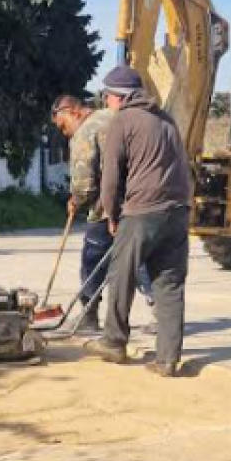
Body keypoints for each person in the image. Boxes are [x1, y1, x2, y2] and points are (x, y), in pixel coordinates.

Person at [84, 65, 191, 377]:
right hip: (177, 211)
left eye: (106, 96)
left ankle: (114, 342)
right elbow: (183, 167)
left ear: (119, 97)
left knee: (121, 275)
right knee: (169, 283)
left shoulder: (124, 120)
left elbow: (111, 176)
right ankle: (167, 359)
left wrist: (111, 213)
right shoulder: (167, 120)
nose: (105, 101)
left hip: (143, 210)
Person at [51, 95, 155, 332]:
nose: (64, 132)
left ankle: (88, 317)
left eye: (63, 125)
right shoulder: (114, 117)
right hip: (139, 200)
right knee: (137, 257)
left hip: (107, 205)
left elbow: (85, 182)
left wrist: (76, 200)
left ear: (72, 111)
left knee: (92, 257)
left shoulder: (86, 132)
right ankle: (159, 310)